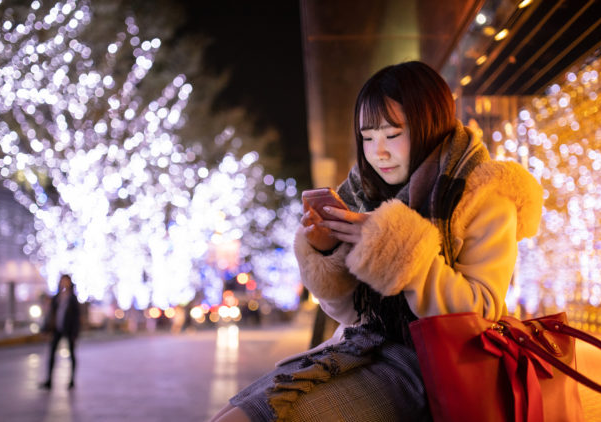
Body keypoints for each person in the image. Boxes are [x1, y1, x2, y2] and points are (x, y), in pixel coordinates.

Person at [211, 61, 543, 421]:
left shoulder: (482, 192)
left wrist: (396, 248)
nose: (377, 152)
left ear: (428, 125)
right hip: (361, 347)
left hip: (430, 368)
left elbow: (478, 314)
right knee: (230, 415)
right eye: (367, 137)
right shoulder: (364, 192)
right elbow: (354, 315)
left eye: (392, 134)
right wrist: (328, 251)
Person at [40, 274, 81, 390]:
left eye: (66, 281)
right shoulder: (57, 298)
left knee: (72, 355)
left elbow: (76, 318)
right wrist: (45, 329)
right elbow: (50, 315)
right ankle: (49, 380)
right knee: (52, 354)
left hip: (69, 330)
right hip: (56, 329)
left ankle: (72, 380)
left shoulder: (72, 299)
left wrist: (75, 333)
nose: (64, 283)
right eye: (63, 281)